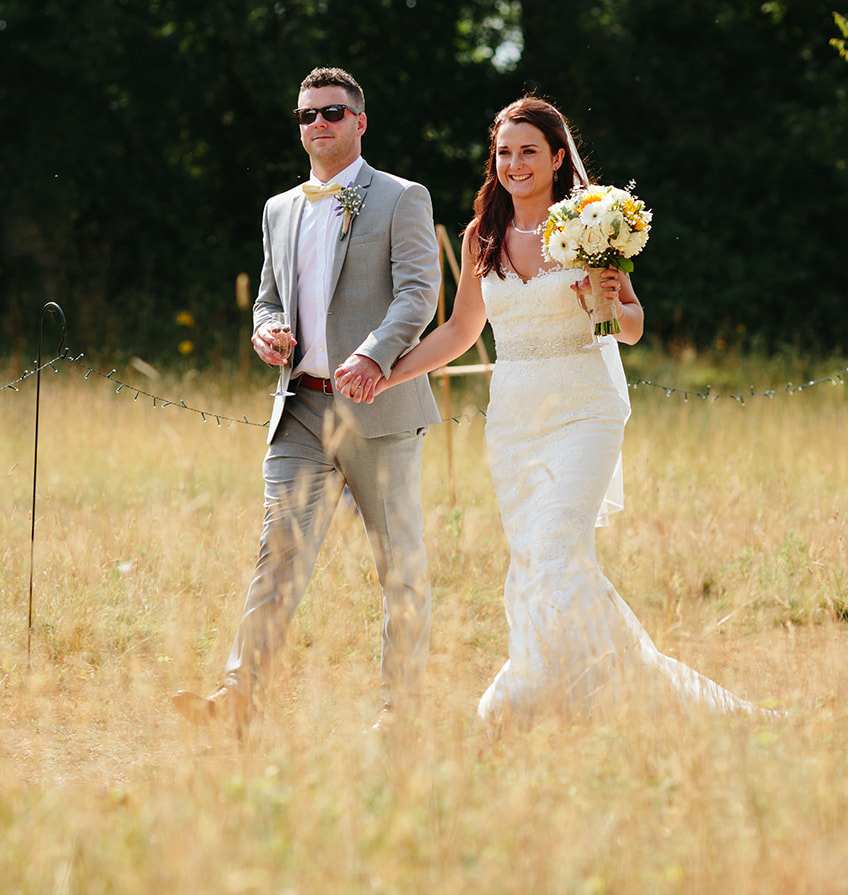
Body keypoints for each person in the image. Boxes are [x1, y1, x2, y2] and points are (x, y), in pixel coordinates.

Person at [352, 96, 771, 726]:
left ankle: (591, 692)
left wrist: (603, 297)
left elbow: (629, 326)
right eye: (504, 153)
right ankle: (571, 690)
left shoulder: (592, 224)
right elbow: (462, 331)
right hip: (515, 419)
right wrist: (388, 370)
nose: (515, 164)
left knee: (555, 549)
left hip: (585, 410)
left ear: (556, 158)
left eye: (528, 151)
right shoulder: (481, 237)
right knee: (533, 560)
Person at [172, 67, 441, 734]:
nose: (318, 123)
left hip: (379, 406)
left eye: (332, 112)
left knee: (398, 561)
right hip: (299, 409)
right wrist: (265, 328)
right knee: (279, 552)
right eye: (306, 115)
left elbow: (418, 295)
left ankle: (401, 708)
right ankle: (240, 697)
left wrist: (375, 352)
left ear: (360, 121)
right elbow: (269, 296)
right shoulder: (278, 208)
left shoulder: (402, 197)